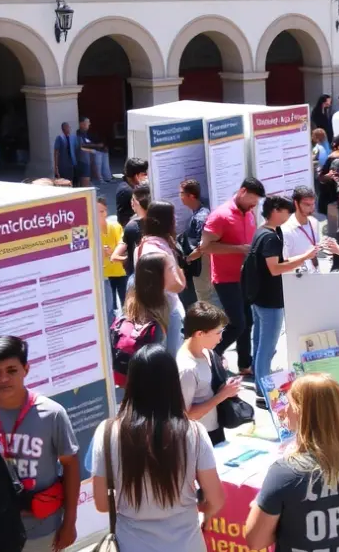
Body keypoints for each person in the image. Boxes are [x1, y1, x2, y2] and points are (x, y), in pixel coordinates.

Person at [91, 343, 223, 552]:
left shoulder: (107, 433)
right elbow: (216, 498)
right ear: (172, 383)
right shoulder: (194, 432)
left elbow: (101, 503)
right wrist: (202, 512)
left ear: (131, 382)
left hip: (131, 545)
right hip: (186, 544)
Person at [245, 373, 339, 551]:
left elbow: (256, 541)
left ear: (302, 412)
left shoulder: (284, 472)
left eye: (289, 403)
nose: (285, 410)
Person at [0, 336, 80, 552]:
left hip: (41, 531)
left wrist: (70, 522)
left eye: (11, 370)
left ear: (26, 369)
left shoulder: (52, 414)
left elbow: (71, 465)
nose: (3, 379)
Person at [192, 177, 264, 376]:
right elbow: (205, 247)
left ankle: (244, 364)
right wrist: (238, 249)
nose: (254, 205)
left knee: (247, 322)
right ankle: (211, 354)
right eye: (252, 200)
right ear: (242, 192)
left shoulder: (249, 213)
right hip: (226, 279)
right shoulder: (220, 215)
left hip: (245, 277)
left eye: (257, 202)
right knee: (237, 324)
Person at [247, 196, 317, 399]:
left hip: (260, 297)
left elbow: (278, 262)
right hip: (270, 300)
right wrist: (305, 257)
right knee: (267, 347)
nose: (289, 217)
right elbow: (275, 268)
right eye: (287, 212)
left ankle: (260, 381)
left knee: (259, 342)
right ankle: (264, 389)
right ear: (276, 211)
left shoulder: (263, 231)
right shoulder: (270, 237)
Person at [177, 301, 241, 447]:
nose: (221, 338)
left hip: (215, 428)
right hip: (200, 438)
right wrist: (223, 395)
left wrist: (225, 386)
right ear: (200, 333)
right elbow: (186, 414)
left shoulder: (207, 352)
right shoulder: (186, 369)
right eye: (217, 333)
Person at [134, 200, 188, 354]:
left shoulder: (143, 245)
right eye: (173, 216)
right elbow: (178, 285)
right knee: (170, 356)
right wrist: (177, 266)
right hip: (167, 311)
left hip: (150, 310)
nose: (176, 219)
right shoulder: (160, 251)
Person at [178, 179, 215, 304]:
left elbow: (202, 247)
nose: (180, 197)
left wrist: (187, 260)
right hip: (201, 261)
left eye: (182, 193)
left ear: (191, 196)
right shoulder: (201, 207)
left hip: (202, 262)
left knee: (204, 297)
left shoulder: (200, 218)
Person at [97, 196, 127, 325]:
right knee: (111, 307)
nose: (100, 215)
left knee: (126, 304)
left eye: (102, 211)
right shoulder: (90, 232)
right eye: (96, 211)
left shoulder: (115, 227)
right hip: (104, 275)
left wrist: (111, 252)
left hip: (119, 271)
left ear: (106, 211)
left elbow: (122, 246)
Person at [280, 185, 321, 274]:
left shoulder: (314, 222)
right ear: (296, 203)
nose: (311, 208)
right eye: (307, 204)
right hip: (296, 278)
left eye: (313, 204)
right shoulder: (286, 229)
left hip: (315, 276)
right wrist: (305, 256)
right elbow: (283, 262)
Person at [76, 117, 113, 184]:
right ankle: (99, 179)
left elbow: (92, 142)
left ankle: (107, 177)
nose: (89, 124)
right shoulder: (79, 133)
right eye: (87, 122)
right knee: (97, 153)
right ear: (81, 124)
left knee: (104, 152)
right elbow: (82, 145)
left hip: (92, 149)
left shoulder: (88, 133)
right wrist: (96, 146)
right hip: (85, 152)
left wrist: (101, 147)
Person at [114, 157, 149, 226]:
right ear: (136, 176)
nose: (146, 176)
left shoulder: (128, 186)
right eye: (144, 174)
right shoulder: (127, 191)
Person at [51, 121, 80, 186]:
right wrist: (56, 167)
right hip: (63, 165)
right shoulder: (60, 138)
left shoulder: (73, 137)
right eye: (65, 127)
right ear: (62, 129)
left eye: (68, 127)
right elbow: (56, 152)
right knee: (65, 181)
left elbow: (76, 149)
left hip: (73, 163)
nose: (67, 129)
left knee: (75, 181)